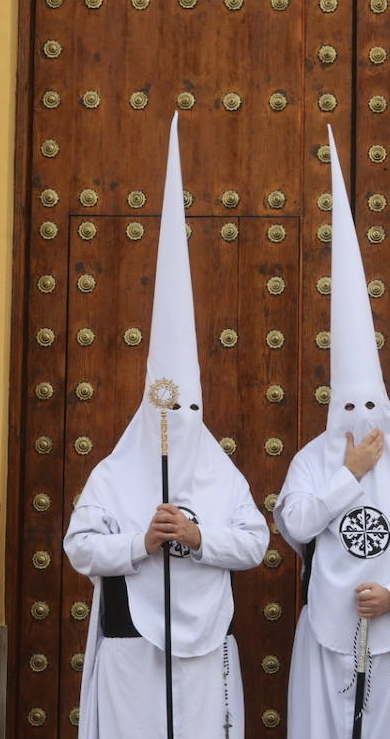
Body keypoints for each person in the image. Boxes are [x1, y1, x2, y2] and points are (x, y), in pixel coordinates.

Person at [64, 114, 268, 738]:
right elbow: (79, 547)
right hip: (131, 642)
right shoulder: (114, 472)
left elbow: (255, 542)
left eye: (186, 415)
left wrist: (197, 533)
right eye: (165, 414)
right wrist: (140, 542)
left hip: (205, 642)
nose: (175, 427)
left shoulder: (219, 472)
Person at [275, 126, 390, 738]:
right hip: (325, 630)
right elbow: (295, 526)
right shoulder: (310, 461)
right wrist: (349, 477)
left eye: (370, 403)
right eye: (349, 403)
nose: (361, 415)